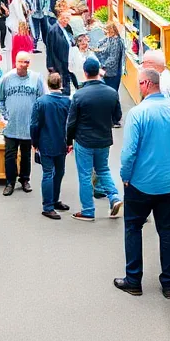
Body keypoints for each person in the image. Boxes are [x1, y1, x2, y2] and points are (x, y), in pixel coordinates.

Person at [115, 68, 170, 299]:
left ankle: (133, 280)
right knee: (167, 230)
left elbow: (129, 152)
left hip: (141, 182)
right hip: (168, 183)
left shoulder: (139, 114)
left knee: (133, 228)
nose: (139, 87)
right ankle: (168, 285)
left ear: (147, 84)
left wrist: (125, 176)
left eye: (140, 83)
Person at [66, 56, 123, 221]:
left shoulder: (79, 95)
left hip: (84, 140)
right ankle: (114, 197)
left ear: (84, 73)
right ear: (99, 71)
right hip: (104, 139)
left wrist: (68, 141)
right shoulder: (111, 93)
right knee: (103, 170)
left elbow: (71, 122)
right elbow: (117, 116)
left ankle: (88, 210)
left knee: (84, 175)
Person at [0, 51, 45, 197]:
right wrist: (5, 116)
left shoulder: (36, 78)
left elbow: (42, 100)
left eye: (26, 62)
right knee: (10, 154)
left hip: (28, 125)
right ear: (15, 62)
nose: (23, 65)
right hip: (11, 125)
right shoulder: (6, 78)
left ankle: (25, 179)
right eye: (20, 62)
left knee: (25, 155)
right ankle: (10, 182)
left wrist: (37, 119)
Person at [30, 72, 71, 219]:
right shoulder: (67, 102)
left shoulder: (41, 102)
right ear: (61, 84)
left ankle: (48, 205)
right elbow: (70, 124)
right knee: (59, 172)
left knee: (48, 173)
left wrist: (34, 142)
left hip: (45, 142)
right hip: (62, 142)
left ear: (48, 84)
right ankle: (54, 200)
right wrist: (70, 141)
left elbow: (34, 124)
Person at [95, 20, 127, 124]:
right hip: (109, 72)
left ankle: (115, 118)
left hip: (112, 73)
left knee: (112, 94)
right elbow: (101, 44)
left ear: (111, 30)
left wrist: (102, 66)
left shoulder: (116, 42)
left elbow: (113, 58)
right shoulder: (110, 38)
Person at [46, 7, 77, 95]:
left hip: (68, 60)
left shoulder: (66, 28)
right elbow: (50, 49)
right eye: (65, 18)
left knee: (70, 81)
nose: (66, 20)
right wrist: (50, 64)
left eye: (68, 18)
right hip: (59, 62)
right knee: (63, 84)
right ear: (60, 18)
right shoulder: (53, 30)